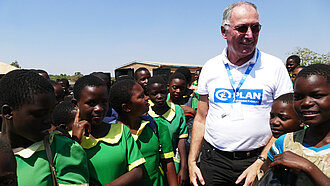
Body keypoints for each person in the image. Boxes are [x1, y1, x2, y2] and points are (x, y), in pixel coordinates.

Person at [188, 2, 293, 186]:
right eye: (242, 28)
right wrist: (191, 161)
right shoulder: (210, 67)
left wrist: (260, 162)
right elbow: (201, 118)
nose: (250, 35)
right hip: (214, 161)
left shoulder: (274, 67)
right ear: (224, 31)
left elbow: (286, 123)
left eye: (255, 27)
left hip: (258, 159)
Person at [0, 70, 89, 186]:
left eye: (51, 112)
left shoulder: (63, 150)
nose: (49, 121)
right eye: (40, 114)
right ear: (8, 112)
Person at [71, 75, 145, 186]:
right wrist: (75, 142)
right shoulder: (67, 140)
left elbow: (137, 172)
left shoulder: (121, 132)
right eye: (91, 103)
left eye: (104, 102)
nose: (99, 108)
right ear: (76, 104)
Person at [266, 64, 330, 185]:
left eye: (317, 96)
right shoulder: (285, 142)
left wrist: (308, 167)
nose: (306, 103)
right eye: (298, 97)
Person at [109, 78, 178, 186]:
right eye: (141, 96)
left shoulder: (157, 125)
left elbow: (168, 162)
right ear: (127, 107)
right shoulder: (113, 134)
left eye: (145, 94)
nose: (147, 98)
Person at [147, 76, 188, 185]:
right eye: (154, 94)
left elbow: (181, 141)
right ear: (148, 94)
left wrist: (183, 168)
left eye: (163, 92)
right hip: (152, 166)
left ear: (167, 90)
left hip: (173, 163)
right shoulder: (145, 112)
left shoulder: (177, 110)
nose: (160, 96)